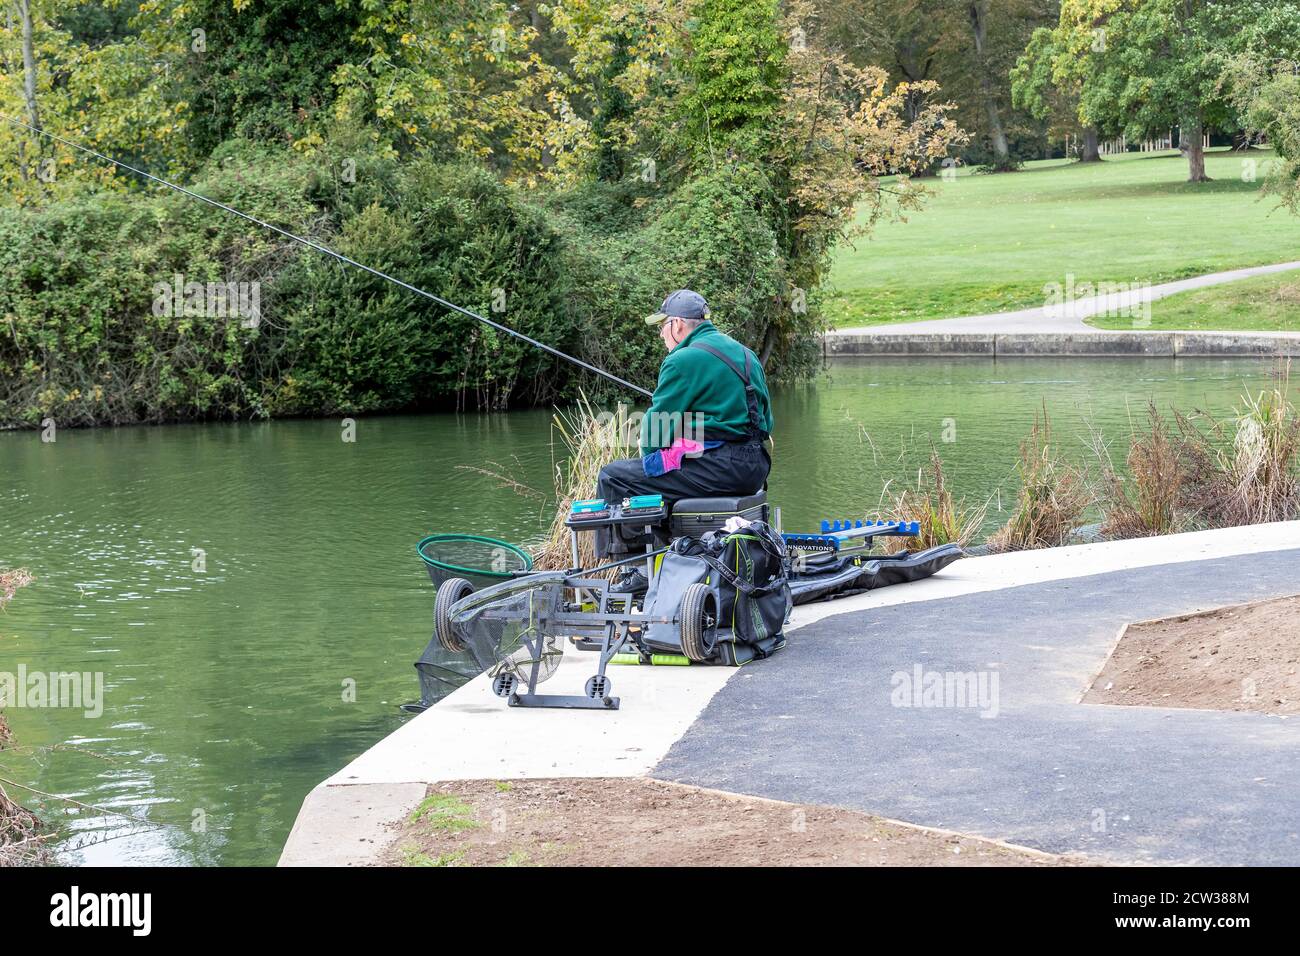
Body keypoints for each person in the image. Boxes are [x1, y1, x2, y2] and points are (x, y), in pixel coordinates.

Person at [594, 289, 773, 568]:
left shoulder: (682, 360)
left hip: (719, 469)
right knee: (658, 476)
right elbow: (765, 423)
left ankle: (635, 571)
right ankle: (680, 556)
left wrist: (659, 453)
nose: (661, 335)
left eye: (662, 327)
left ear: (677, 324)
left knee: (615, 477)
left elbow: (654, 434)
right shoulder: (747, 355)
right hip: (755, 467)